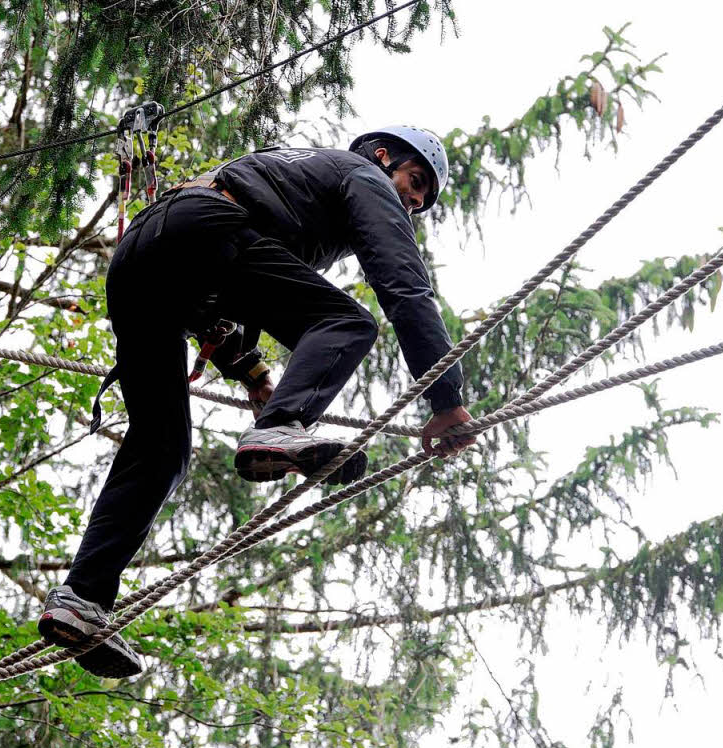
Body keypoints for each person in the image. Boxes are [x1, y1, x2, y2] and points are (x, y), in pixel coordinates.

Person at [37, 125, 477, 678]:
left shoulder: (292, 182)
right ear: (384, 156)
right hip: (204, 237)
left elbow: (222, 288)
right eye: (415, 183)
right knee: (346, 322)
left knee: (161, 449)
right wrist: (446, 396)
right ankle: (282, 426)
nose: (413, 202)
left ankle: (81, 598)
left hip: (145, 262)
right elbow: (403, 283)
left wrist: (252, 375)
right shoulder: (363, 175)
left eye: (421, 201)